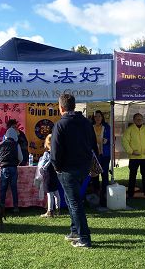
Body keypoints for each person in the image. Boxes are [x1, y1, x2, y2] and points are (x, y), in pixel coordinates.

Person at [51, 94, 98, 248]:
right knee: (72, 201)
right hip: (83, 167)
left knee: (75, 203)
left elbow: (55, 151)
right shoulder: (86, 123)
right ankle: (75, 231)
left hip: (67, 169)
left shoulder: (60, 125)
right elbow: (94, 145)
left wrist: (56, 167)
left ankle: (84, 238)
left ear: (61, 107)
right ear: (74, 106)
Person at [122, 113, 145, 198]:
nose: (139, 121)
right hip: (134, 158)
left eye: (140, 119)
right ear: (133, 120)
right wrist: (131, 151)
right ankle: (130, 193)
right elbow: (124, 142)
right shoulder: (129, 130)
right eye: (137, 119)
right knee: (132, 175)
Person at [0, 127, 23, 213]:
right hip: (13, 168)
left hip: (4, 168)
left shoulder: (1, 144)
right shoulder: (16, 144)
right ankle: (15, 207)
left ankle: (1, 206)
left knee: (3, 188)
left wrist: (1, 162)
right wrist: (17, 163)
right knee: (14, 188)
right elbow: (20, 158)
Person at [90, 110, 111, 207]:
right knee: (95, 175)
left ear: (102, 117)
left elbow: (111, 139)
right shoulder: (90, 127)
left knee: (105, 174)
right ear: (93, 118)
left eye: (99, 116)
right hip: (94, 154)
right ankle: (96, 195)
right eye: (95, 117)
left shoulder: (107, 127)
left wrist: (105, 140)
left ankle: (105, 196)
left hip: (105, 154)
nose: (97, 118)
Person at [38, 134, 60, 217]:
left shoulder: (47, 153)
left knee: (49, 193)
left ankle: (50, 211)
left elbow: (45, 163)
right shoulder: (57, 152)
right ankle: (58, 210)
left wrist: (43, 167)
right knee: (56, 192)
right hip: (55, 173)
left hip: (48, 174)